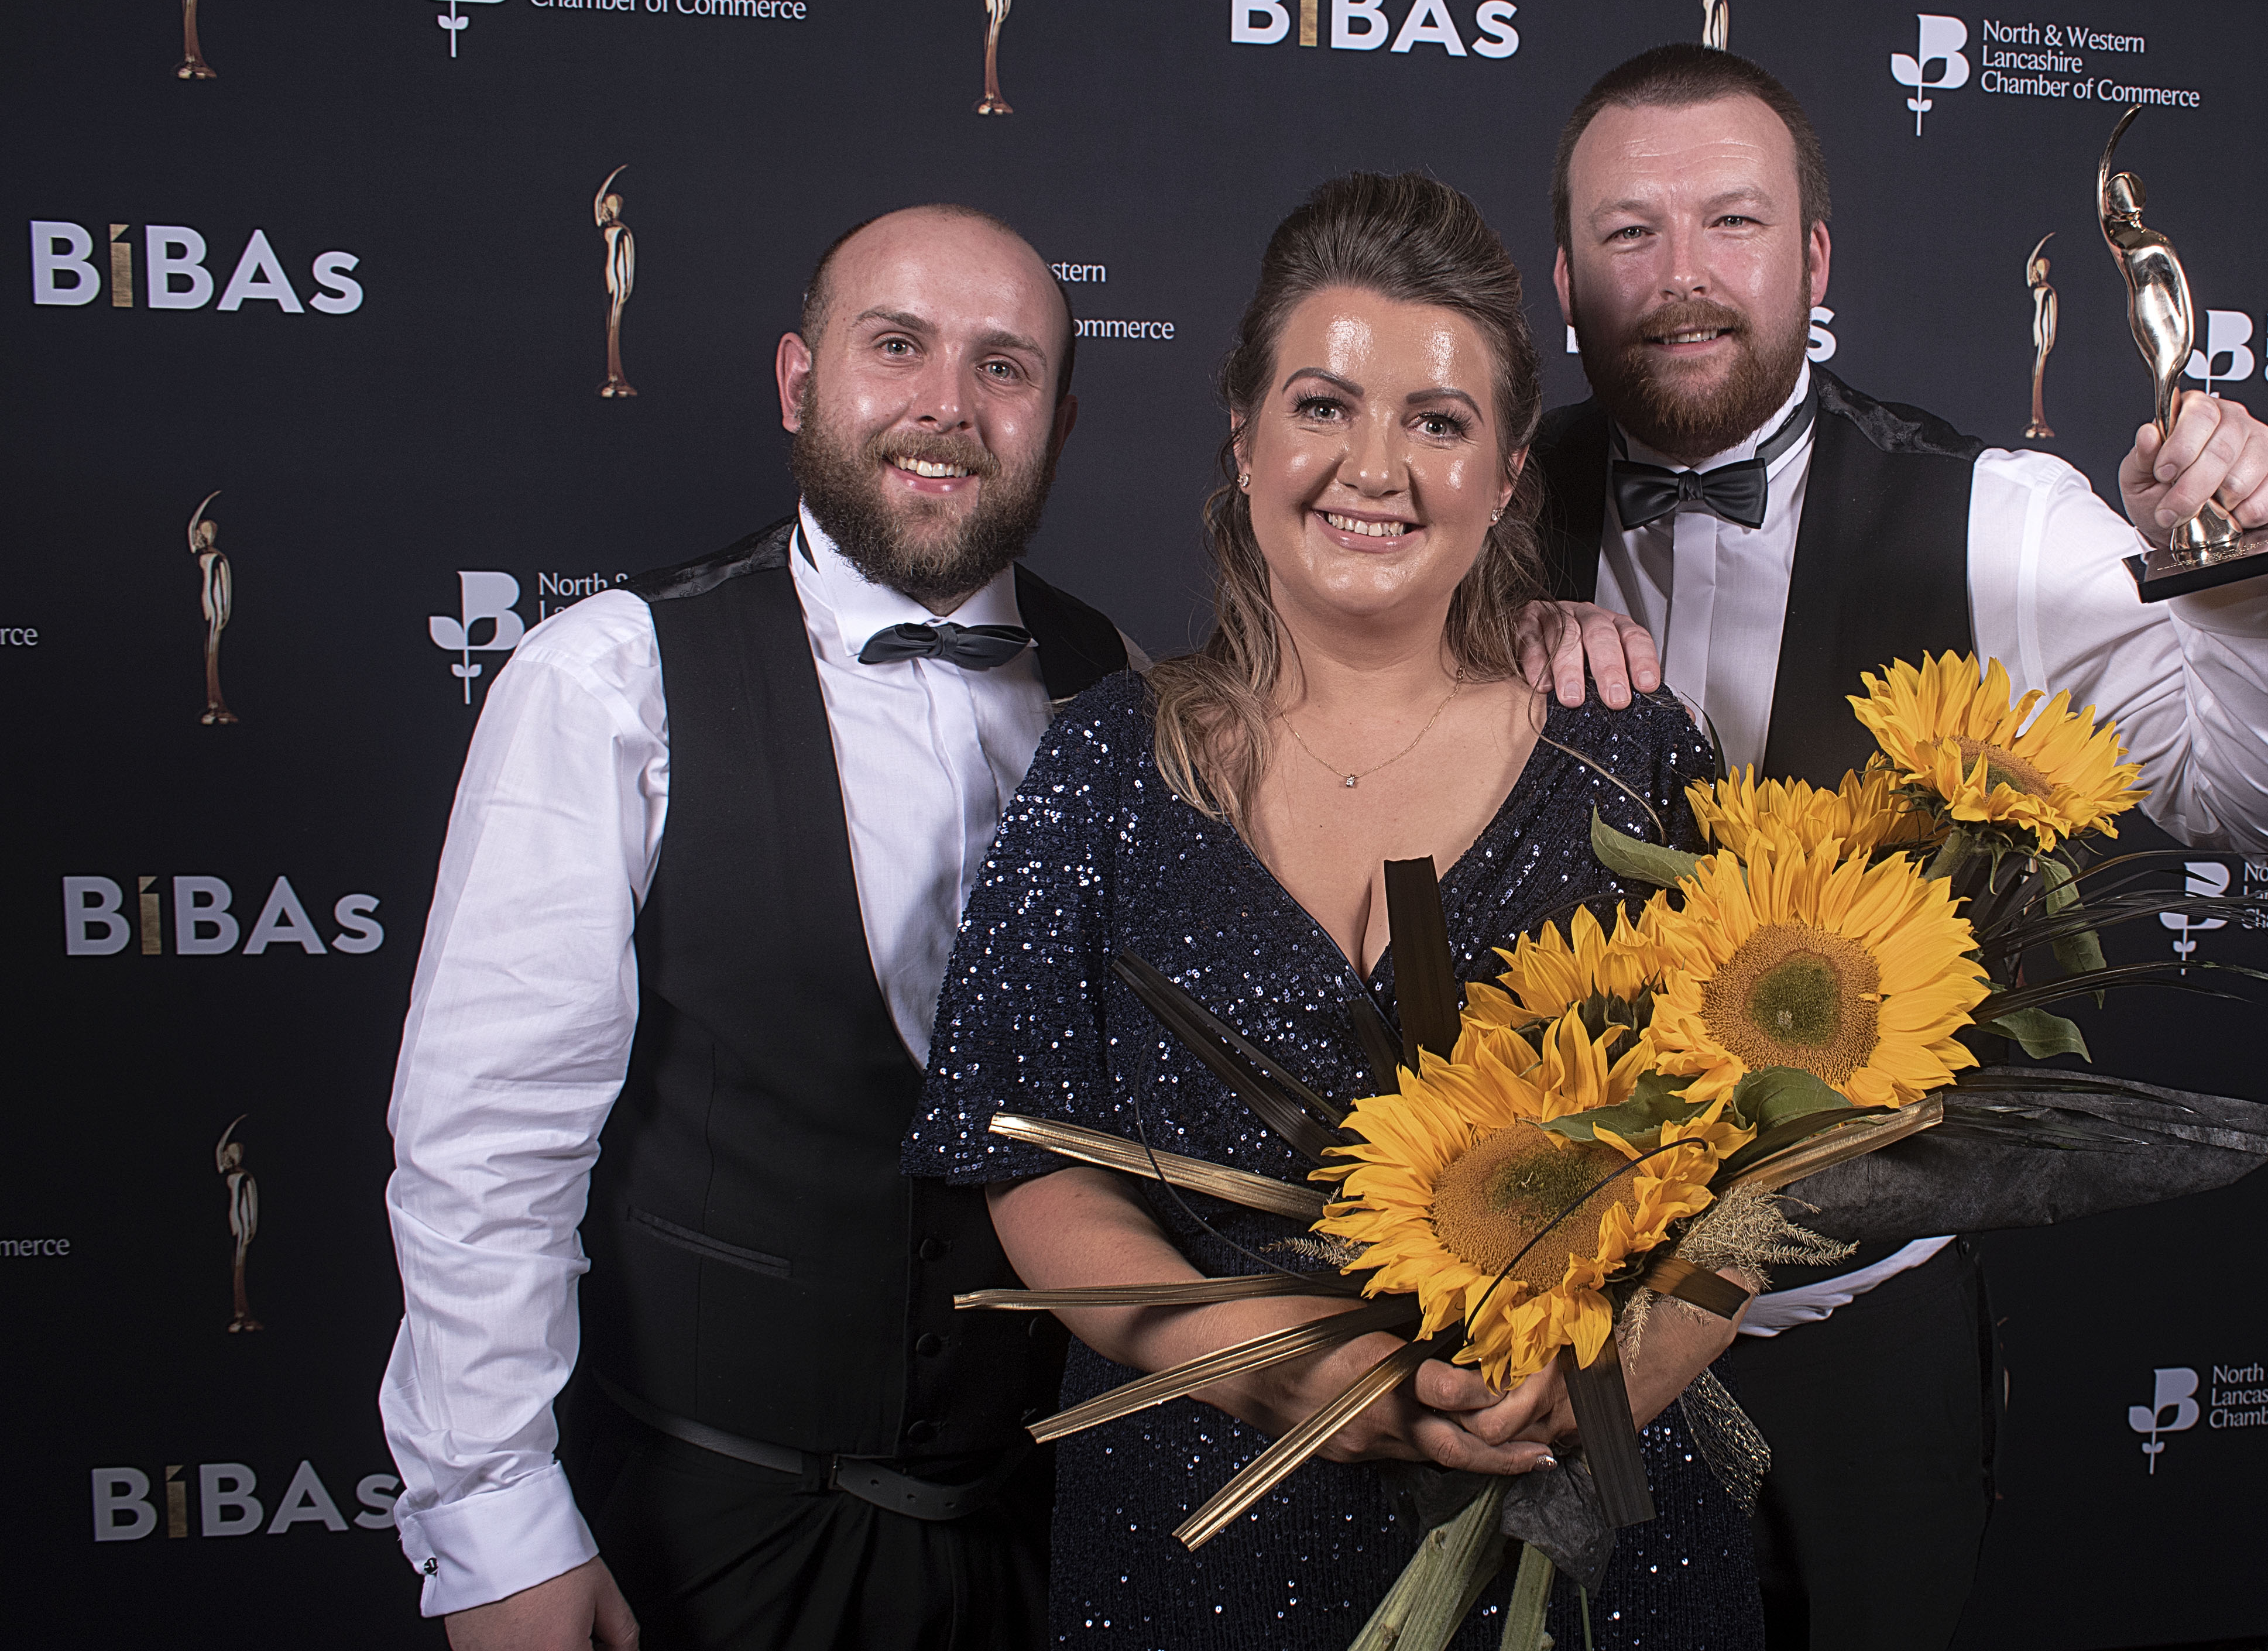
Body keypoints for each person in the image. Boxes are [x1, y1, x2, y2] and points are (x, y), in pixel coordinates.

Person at [1525, 44, 2268, 1651]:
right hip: (1553, 1342)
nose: (1681, 273)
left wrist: (2246, 568)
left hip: (1861, 1340)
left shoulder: (2003, 518)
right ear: (1565, 280)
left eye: (1732, 222)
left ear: (1815, 261)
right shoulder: (1465, 505)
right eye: (1628, 231)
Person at [904, 173, 1757, 1649]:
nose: (1377, 468)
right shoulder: (1105, 763)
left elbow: (1766, 1168)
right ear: (1244, 437)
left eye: (1438, 423)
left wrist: (1616, 1375)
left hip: (1583, 1539)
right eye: (1323, 406)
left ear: (1506, 476)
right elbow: (1031, 1163)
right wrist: (1290, 1374)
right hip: (1201, 1530)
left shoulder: (1631, 756)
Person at [378, 203, 1138, 1651]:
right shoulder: (607, 681)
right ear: (799, 382)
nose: (947, 405)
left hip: (1044, 1538)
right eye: (897, 346)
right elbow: (488, 1149)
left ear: (1058, 419)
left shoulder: (1122, 685)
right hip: (707, 1542)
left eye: (1004, 366)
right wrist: (495, 1530)